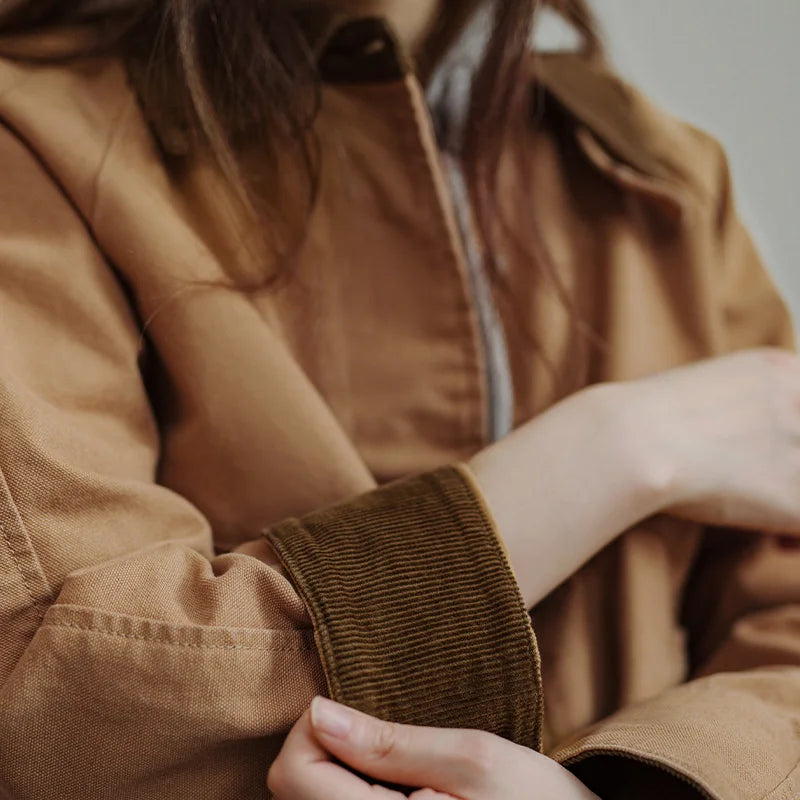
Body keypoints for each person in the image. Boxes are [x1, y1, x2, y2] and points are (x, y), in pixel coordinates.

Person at [0, 0, 798, 798]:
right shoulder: (34, 140)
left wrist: (623, 790)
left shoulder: (658, 175)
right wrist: (616, 450)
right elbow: (61, 701)